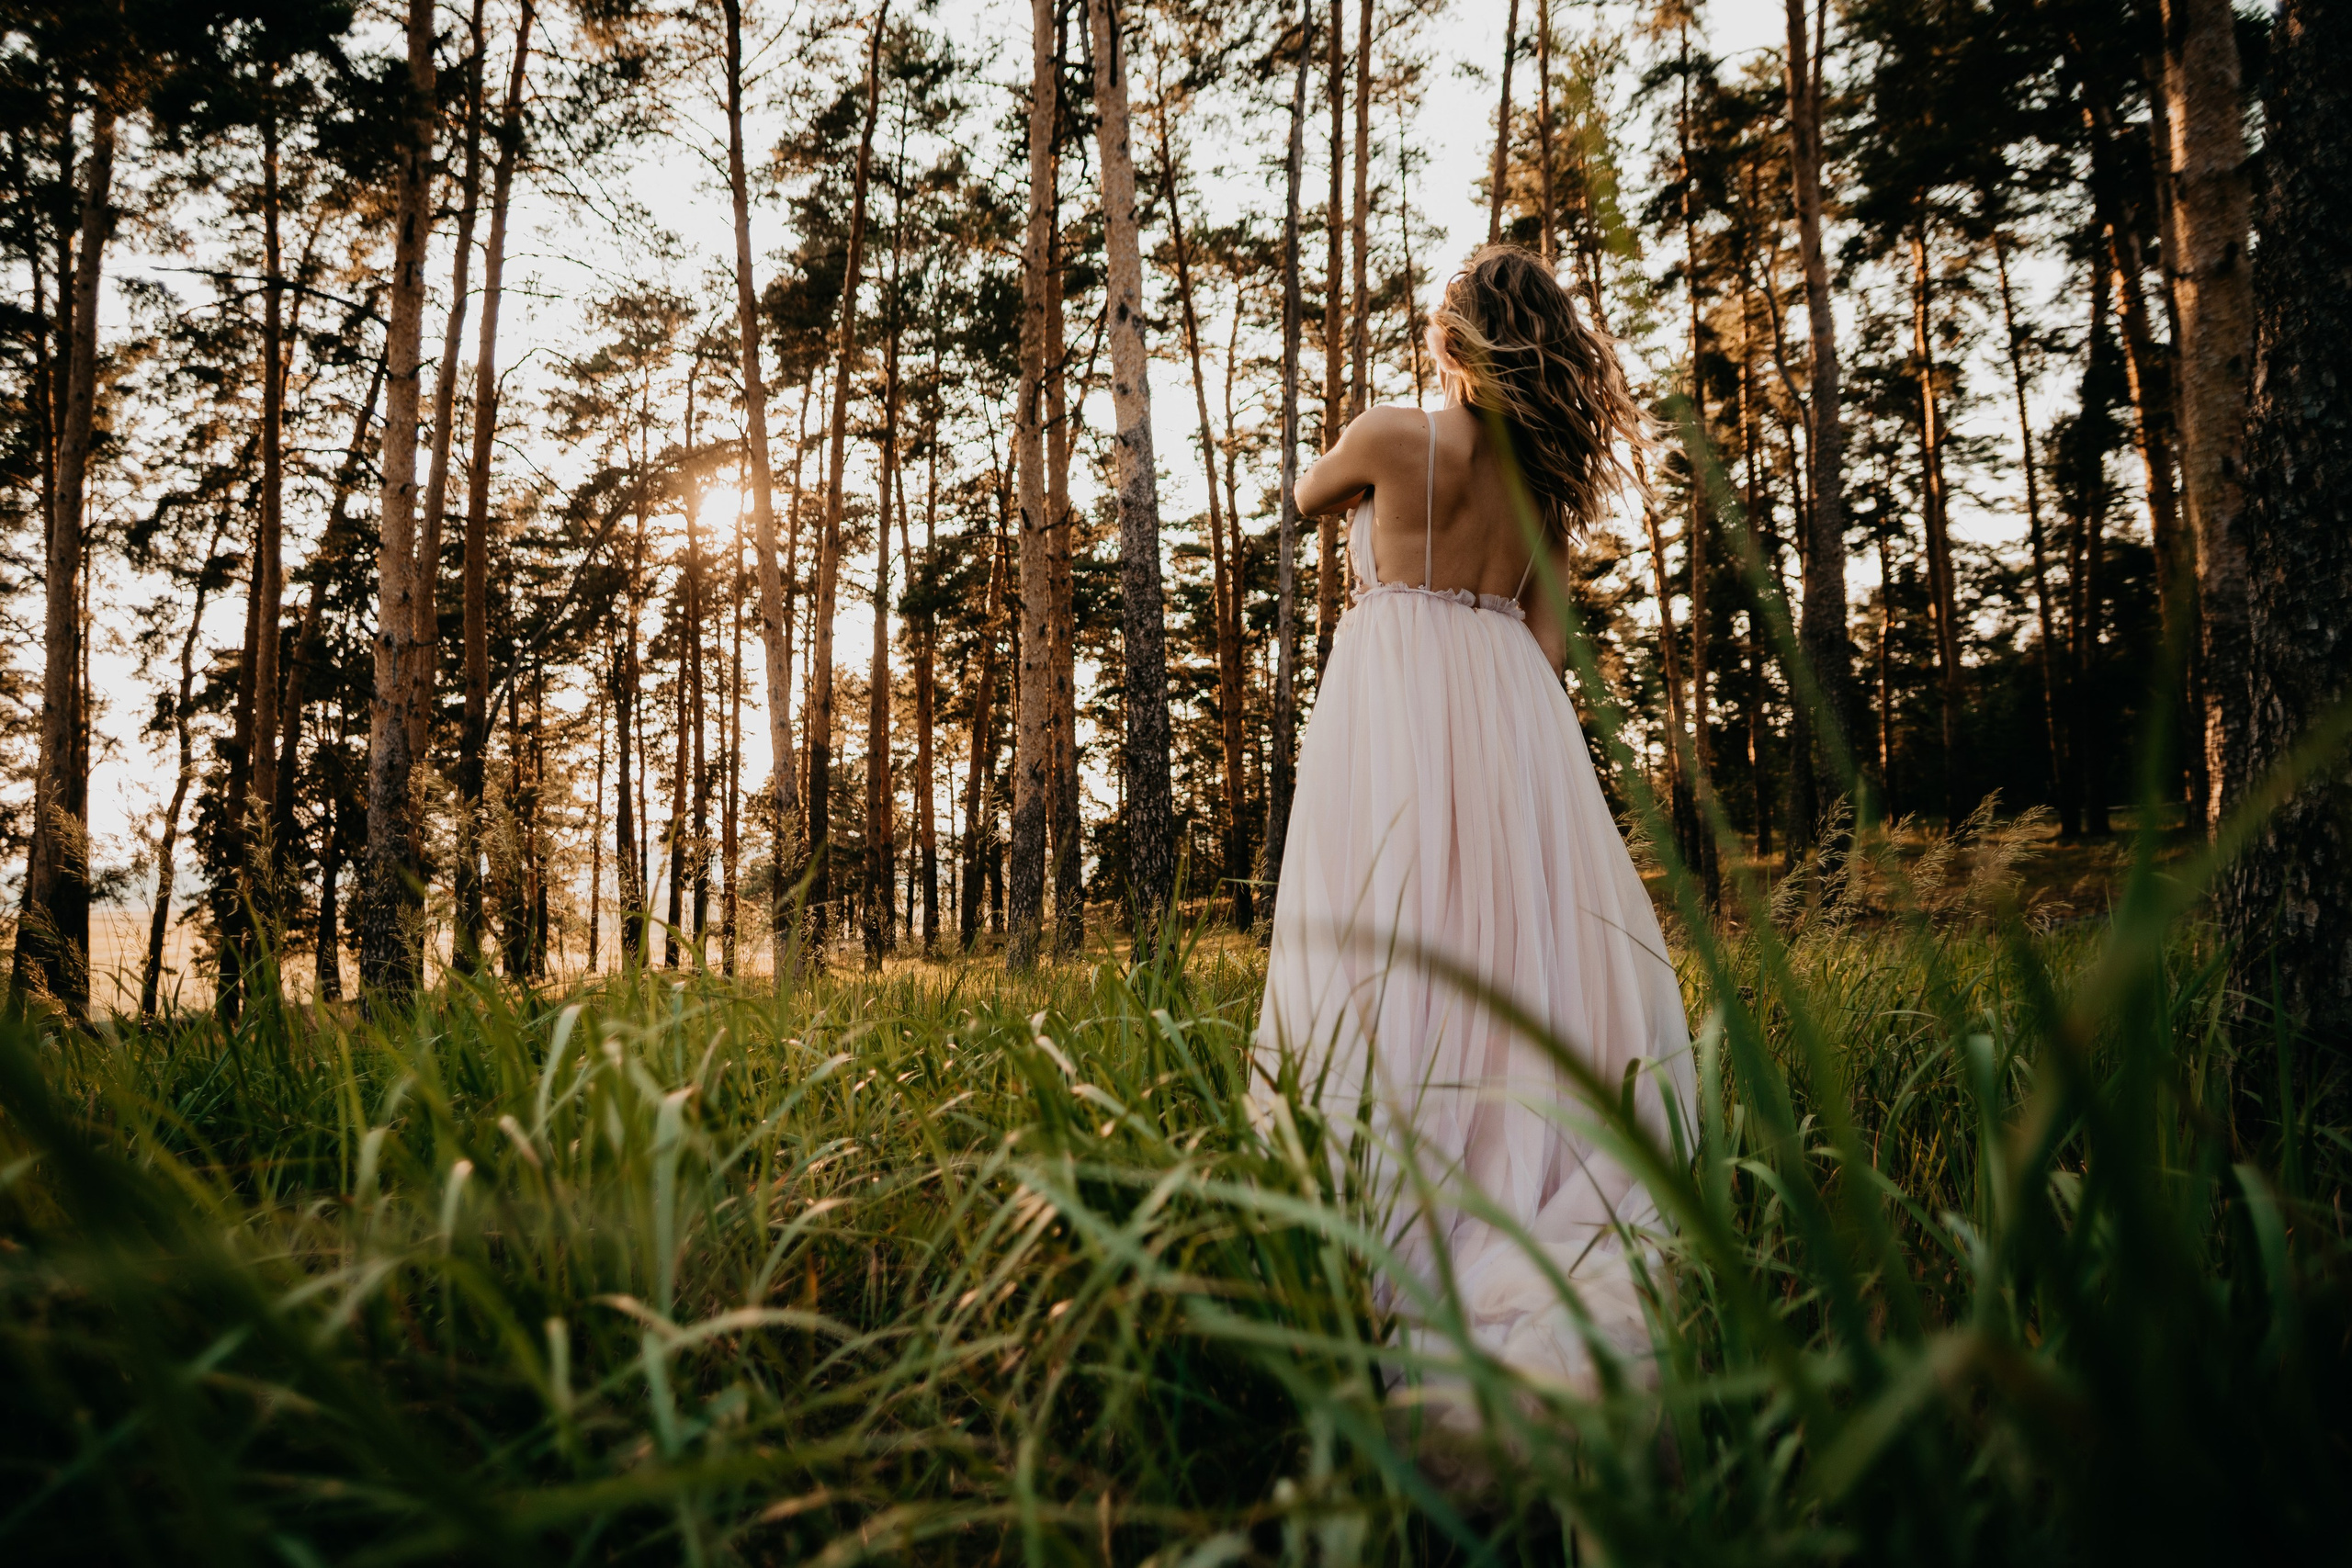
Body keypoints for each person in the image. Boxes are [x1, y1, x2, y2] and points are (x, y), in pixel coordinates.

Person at [1255, 244, 1693, 1428]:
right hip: (1513, 716)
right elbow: (1545, 646)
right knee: (1505, 948)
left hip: (1391, 702)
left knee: (1389, 931)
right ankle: (1527, 1188)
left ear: (1456, 336)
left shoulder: (1396, 435)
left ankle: (1382, 1190)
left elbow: (1300, 499)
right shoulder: (1540, 490)